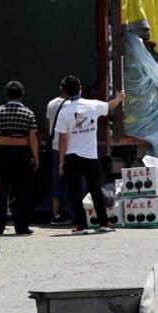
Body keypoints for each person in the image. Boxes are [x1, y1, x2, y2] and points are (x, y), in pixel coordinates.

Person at [53, 75, 125, 234]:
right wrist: (119, 98)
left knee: (75, 192)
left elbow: (62, 140)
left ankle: (80, 226)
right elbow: (109, 106)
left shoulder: (64, 112)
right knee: (95, 190)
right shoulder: (93, 106)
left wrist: (61, 161)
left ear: (64, 92)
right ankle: (104, 223)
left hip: (72, 156)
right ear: (80, 87)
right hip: (91, 157)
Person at [0, 80, 39, 237]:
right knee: (21, 191)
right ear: (22, 95)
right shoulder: (28, 113)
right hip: (21, 152)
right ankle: (21, 226)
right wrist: (35, 157)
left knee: (1, 191)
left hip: (3, 151)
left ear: (6, 94)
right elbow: (32, 138)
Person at [45, 83, 74, 226]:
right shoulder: (70, 105)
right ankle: (74, 213)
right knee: (73, 180)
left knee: (56, 180)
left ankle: (56, 214)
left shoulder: (51, 104)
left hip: (54, 146)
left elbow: (48, 125)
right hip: (68, 146)